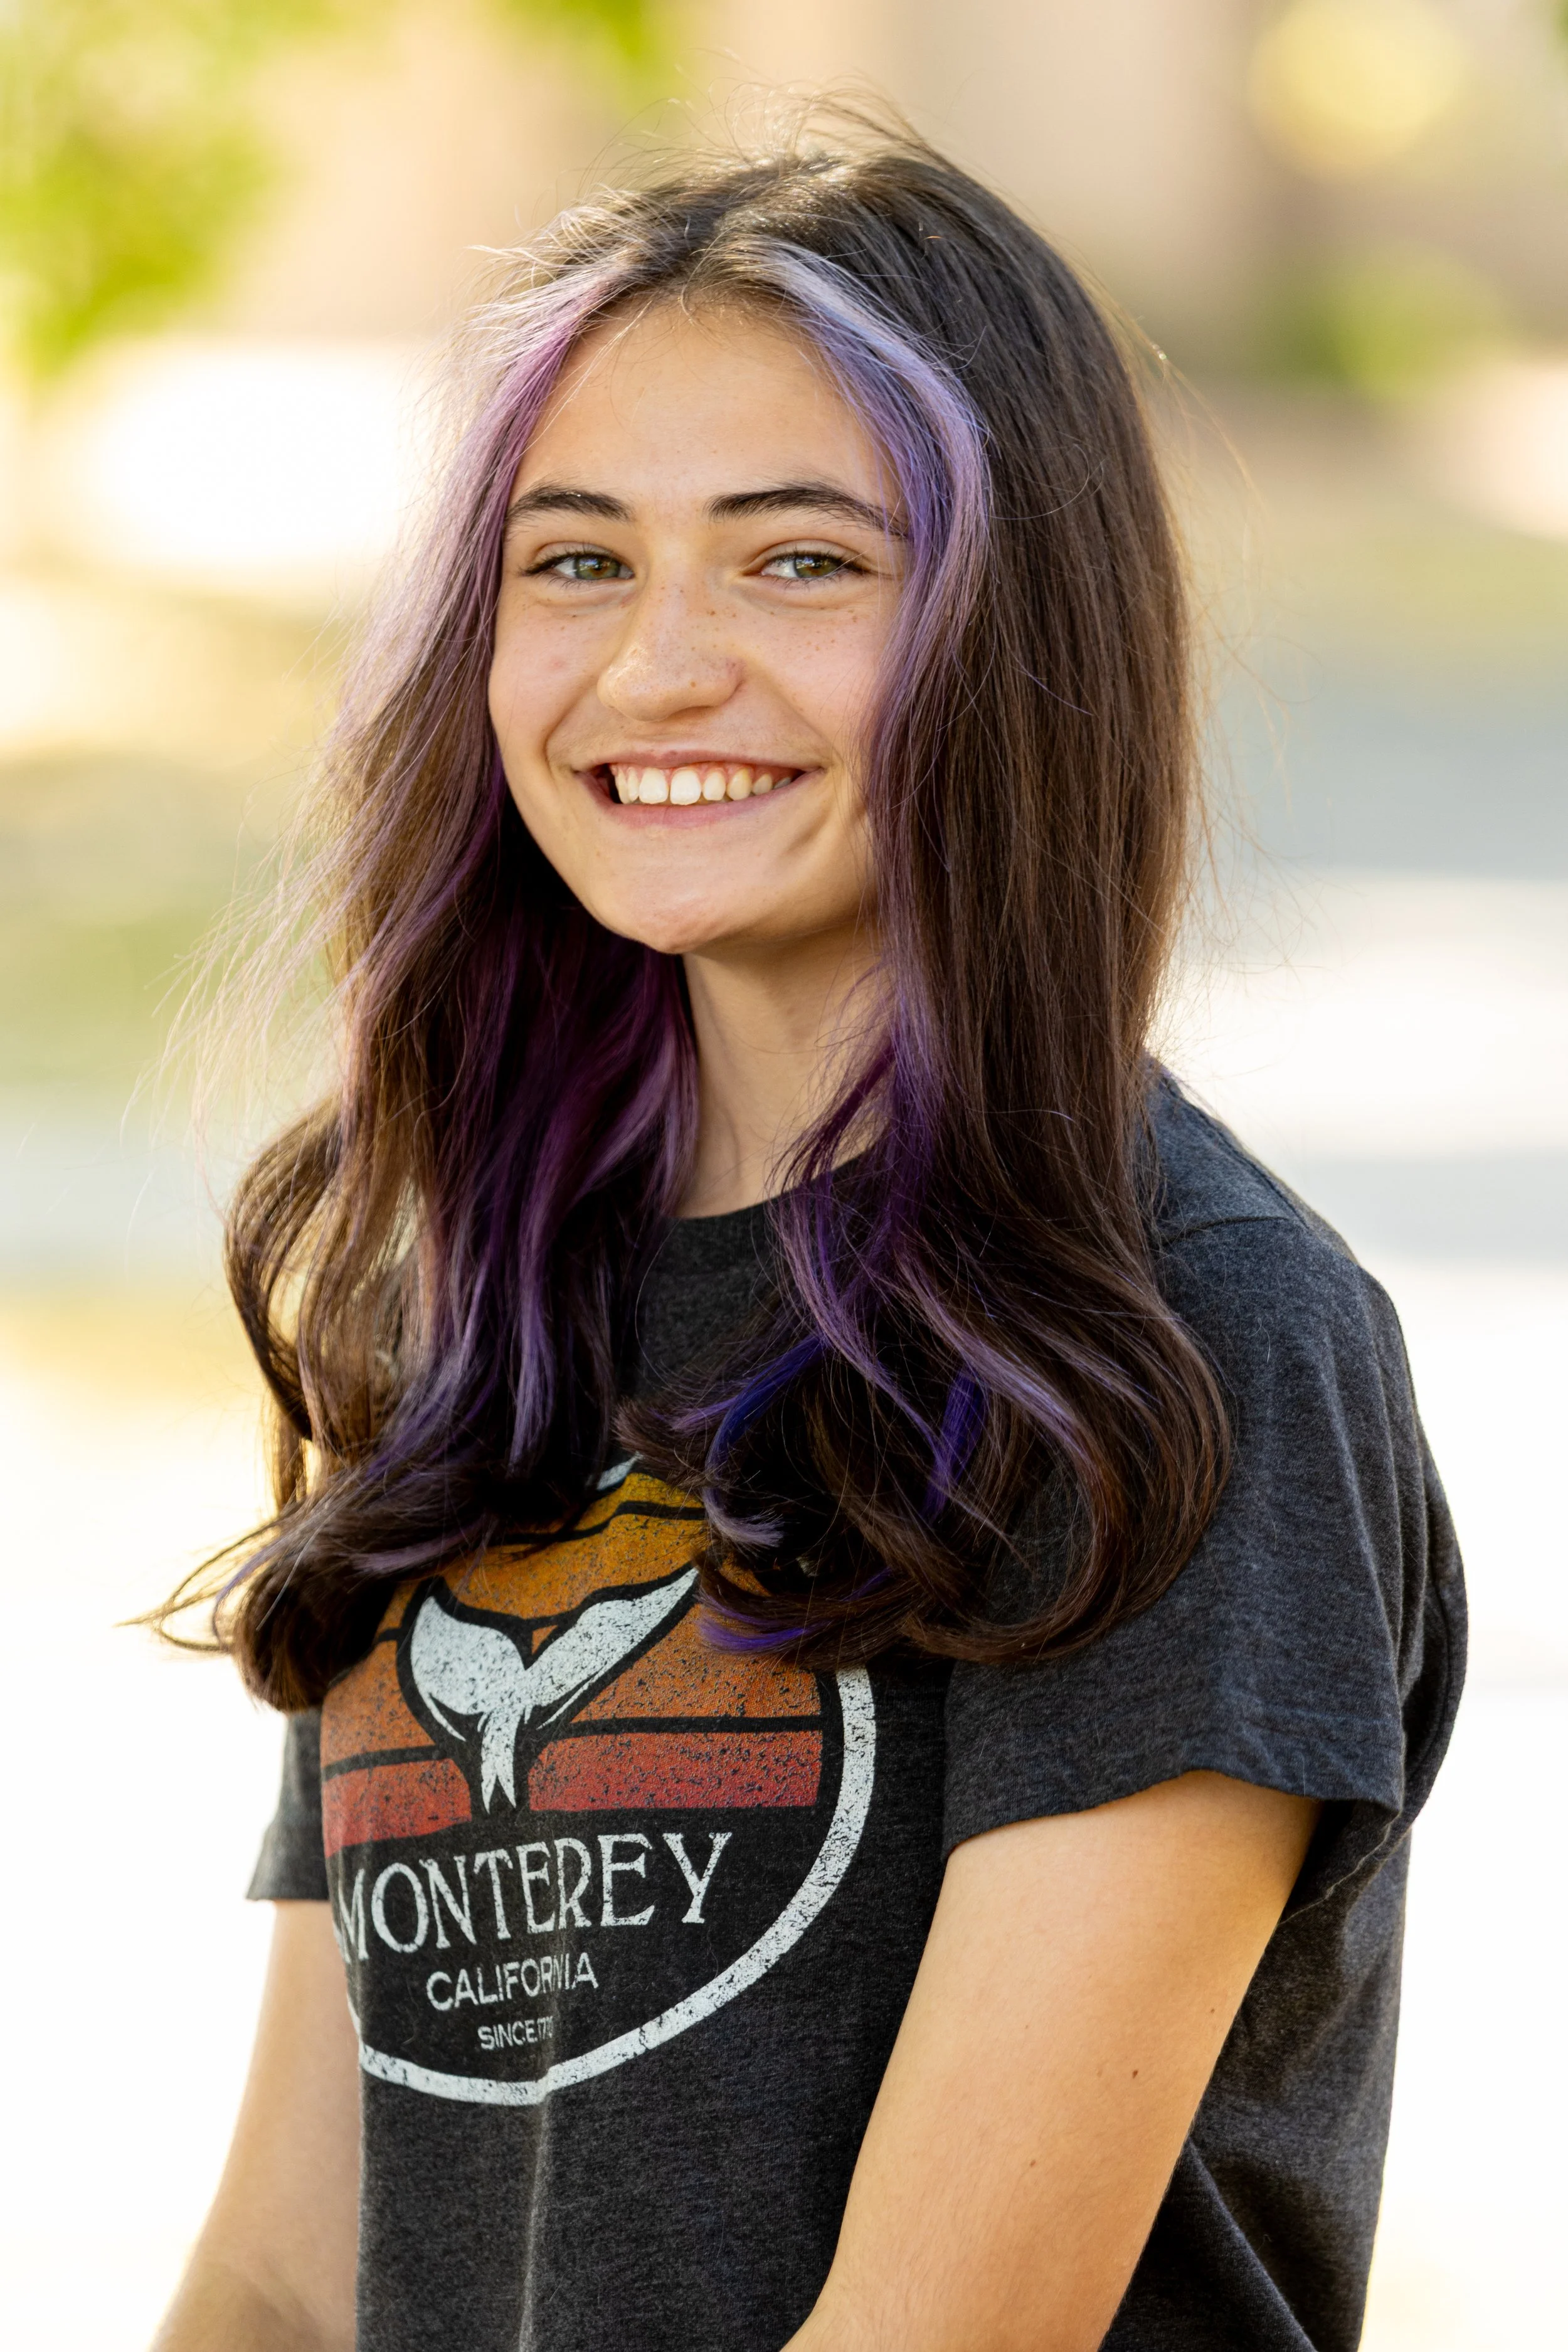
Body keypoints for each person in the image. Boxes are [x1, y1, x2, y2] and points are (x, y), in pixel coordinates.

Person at [152, 116, 1464, 2352]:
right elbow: (288, 2273)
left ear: (1010, 633)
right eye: (577, 561)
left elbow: (941, 2329)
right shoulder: (482, 1319)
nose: (657, 667)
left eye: (797, 562)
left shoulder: (1174, 1340)